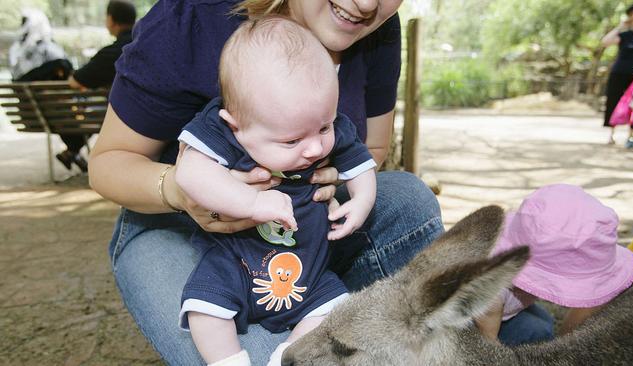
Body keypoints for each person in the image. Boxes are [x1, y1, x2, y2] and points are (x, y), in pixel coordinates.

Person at [87, 0, 559, 364]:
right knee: (229, 344)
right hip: (180, 228)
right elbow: (108, 162)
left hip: (306, 234)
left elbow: (370, 152)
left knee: (409, 196)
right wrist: (183, 191)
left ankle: (452, 331)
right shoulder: (194, 16)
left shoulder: (374, 30)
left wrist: (332, 171)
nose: (365, 4)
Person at [175, 17, 377, 365]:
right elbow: (190, 172)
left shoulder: (319, 123)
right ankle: (228, 360)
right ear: (236, 126)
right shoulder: (220, 131)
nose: (315, 148)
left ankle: (290, 353)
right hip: (235, 262)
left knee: (335, 309)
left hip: (309, 267)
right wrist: (251, 202)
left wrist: (361, 201)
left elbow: (362, 165)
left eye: (324, 127)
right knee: (204, 309)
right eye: (292, 140)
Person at [476, 184, 633, 344]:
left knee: (544, 321)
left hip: (502, 306)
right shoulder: (492, 293)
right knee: (537, 331)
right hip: (473, 320)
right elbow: (487, 337)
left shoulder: (527, 250)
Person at [56, 0, 137, 173]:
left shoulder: (112, 52)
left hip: (119, 115)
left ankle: (72, 150)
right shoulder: (147, 44)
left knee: (99, 110)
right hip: (153, 112)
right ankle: (72, 152)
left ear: (111, 20)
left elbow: (75, 81)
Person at [601, 0, 633, 149]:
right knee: (614, 100)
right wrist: (621, 26)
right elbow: (605, 42)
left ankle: (631, 135)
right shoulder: (625, 35)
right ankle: (612, 133)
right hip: (619, 72)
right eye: (632, 13)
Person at [8, 8, 72, 82]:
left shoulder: (46, 45)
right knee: (62, 63)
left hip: (32, 82)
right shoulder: (19, 46)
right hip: (25, 82)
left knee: (62, 64)